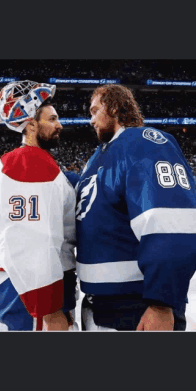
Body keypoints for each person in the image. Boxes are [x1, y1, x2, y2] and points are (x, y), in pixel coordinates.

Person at [75, 84, 196, 331]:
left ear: (115, 107)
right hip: (99, 306)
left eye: (95, 110)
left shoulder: (143, 142)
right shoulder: (98, 156)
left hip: (137, 307)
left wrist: (161, 303)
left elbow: (172, 223)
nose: (91, 120)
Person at [0, 80, 78, 331]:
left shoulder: (33, 161)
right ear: (32, 123)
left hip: (27, 283)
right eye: (52, 119)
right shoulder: (29, 162)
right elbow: (32, 241)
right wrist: (47, 308)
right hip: (32, 287)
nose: (59, 125)